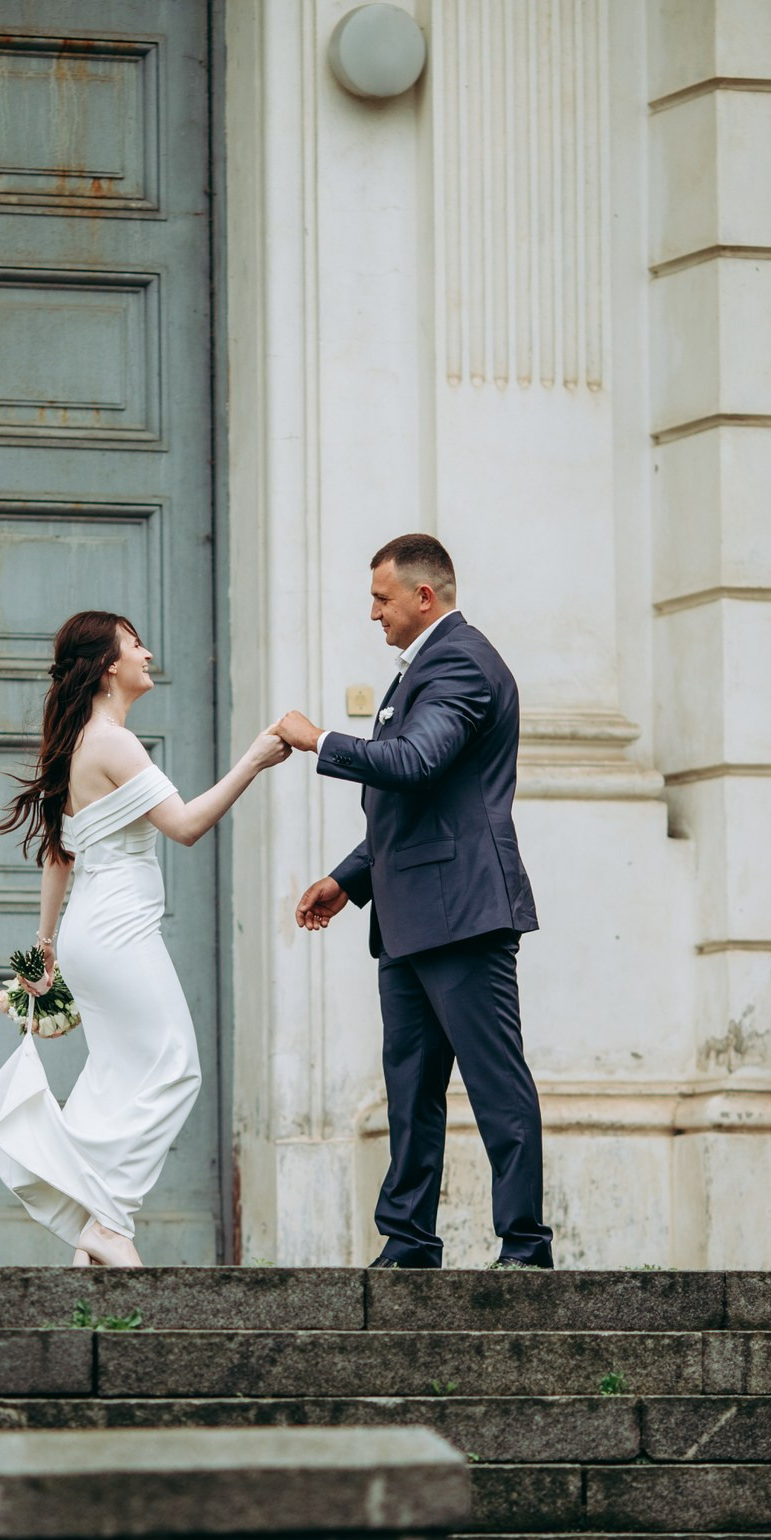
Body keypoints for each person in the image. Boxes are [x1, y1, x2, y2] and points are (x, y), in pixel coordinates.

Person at [0, 610, 292, 1267]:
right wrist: (255, 760)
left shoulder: (79, 739)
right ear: (109, 665)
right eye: (134, 642)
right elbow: (185, 825)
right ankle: (111, 1223)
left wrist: (47, 941)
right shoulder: (113, 742)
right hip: (118, 928)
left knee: (117, 1075)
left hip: (93, 932)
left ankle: (94, 1228)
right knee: (176, 1065)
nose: (147, 652)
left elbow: (58, 854)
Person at [273, 533, 553, 1270]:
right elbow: (421, 804)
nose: (373, 613)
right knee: (410, 1092)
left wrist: (319, 739)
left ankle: (525, 1247)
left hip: (463, 914)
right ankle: (408, 1240)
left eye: (381, 598)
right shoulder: (420, 668)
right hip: (406, 918)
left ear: (423, 596)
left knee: (496, 1083)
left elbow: (415, 762)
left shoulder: (460, 661)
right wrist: (348, 877)